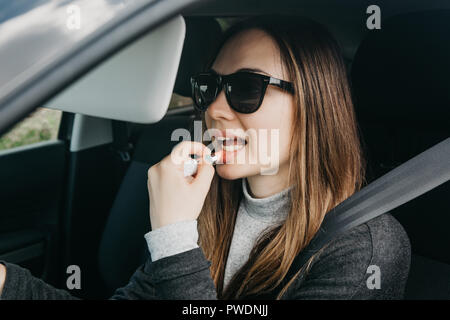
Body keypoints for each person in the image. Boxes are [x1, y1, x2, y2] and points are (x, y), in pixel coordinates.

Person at [0, 15, 411, 300]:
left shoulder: (366, 246)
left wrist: (174, 238)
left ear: (315, 105)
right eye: (208, 87)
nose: (214, 108)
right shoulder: (205, 204)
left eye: (246, 88)